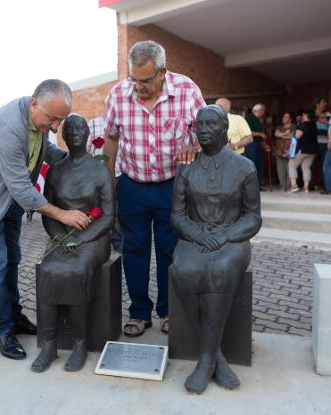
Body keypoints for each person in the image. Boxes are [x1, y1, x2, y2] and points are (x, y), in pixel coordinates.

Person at [0, 79, 90, 360]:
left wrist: (74, 160)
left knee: (13, 257)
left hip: (9, 198)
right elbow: (21, 187)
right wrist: (61, 213)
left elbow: (45, 151)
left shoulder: (37, 119)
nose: (55, 127)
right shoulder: (7, 126)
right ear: (33, 103)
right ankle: (3, 331)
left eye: (60, 120)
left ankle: (14, 316)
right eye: (52, 119)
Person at [103, 40, 205, 337]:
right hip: (132, 185)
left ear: (163, 72)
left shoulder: (187, 90)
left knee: (170, 251)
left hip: (172, 186)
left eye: (145, 80)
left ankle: (169, 310)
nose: (138, 87)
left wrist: (194, 147)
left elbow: (207, 135)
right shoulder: (118, 94)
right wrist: (108, 183)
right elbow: (111, 138)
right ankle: (139, 312)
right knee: (133, 249)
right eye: (134, 79)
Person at [170, 105, 262, 394]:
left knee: (220, 271)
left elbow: (253, 217)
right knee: (182, 270)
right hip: (194, 237)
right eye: (200, 125)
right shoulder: (187, 170)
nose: (205, 130)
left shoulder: (244, 168)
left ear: (225, 130)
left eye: (212, 125)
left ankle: (206, 358)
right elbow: (177, 216)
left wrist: (226, 237)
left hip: (232, 240)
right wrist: (197, 234)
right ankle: (216, 357)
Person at [32, 114, 115, 373]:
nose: (77, 133)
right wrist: (59, 238)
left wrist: (81, 239)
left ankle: (80, 343)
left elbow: (109, 216)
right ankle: (49, 344)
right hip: (62, 236)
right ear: (64, 136)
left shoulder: (100, 169)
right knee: (47, 269)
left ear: (89, 134)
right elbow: (49, 211)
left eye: (82, 128)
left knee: (75, 270)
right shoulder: (56, 171)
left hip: (94, 237)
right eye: (71, 129)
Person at [87, 114, 122, 252]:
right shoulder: (93, 124)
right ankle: (100, 239)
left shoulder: (123, 122)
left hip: (120, 174)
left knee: (118, 210)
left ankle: (118, 242)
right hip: (98, 176)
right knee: (98, 209)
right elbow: (86, 150)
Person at [288, 111, 318, 193]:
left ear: (306, 116)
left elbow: (296, 137)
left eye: (303, 115)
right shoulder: (314, 125)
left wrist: (291, 151)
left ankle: (294, 186)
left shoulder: (303, 125)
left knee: (292, 165)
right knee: (306, 168)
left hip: (303, 149)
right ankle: (306, 188)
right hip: (313, 151)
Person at [244, 103, 270, 191]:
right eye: (263, 110)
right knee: (252, 165)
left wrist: (264, 145)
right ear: (259, 110)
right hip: (251, 144)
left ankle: (257, 186)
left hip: (258, 144)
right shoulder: (249, 118)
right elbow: (247, 132)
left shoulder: (258, 120)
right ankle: (251, 186)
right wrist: (260, 134)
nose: (264, 112)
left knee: (259, 165)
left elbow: (260, 136)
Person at [274, 112, 294, 191]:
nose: (284, 118)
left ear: (290, 119)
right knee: (280, 169)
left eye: (286, 117)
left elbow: (292, 135)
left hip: (289, 150)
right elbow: (276, 134)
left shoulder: (293, 126)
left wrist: (281, 134)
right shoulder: (280, 126)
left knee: (289, 168)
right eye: (283, 116)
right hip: (279, 150)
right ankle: (282, 186)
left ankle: (289, 186)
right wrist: (285, 134)